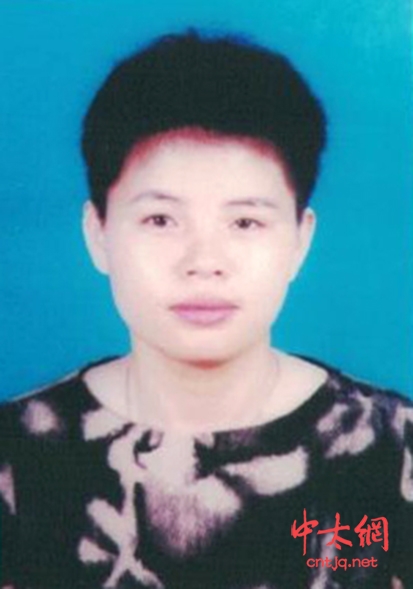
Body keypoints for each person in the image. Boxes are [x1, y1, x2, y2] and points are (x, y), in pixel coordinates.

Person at [0, 30, 412, 589]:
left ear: (299, 240)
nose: (204, 262)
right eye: (160, 220)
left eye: (245, 222)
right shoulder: (19, 458)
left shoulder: (391, 452)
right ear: (98, 234)